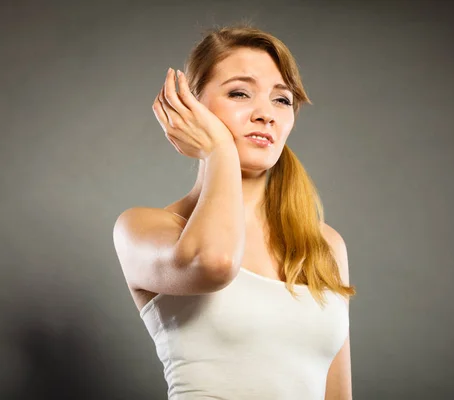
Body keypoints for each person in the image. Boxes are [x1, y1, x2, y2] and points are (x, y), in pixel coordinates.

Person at [112, 24, 356, 399]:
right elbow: (216, 263)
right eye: (240, 93)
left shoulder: (323, 243)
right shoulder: (143, 228)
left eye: (282, 100)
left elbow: (337, 395)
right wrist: (218, 151)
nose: (266, 115)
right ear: (190, 107)